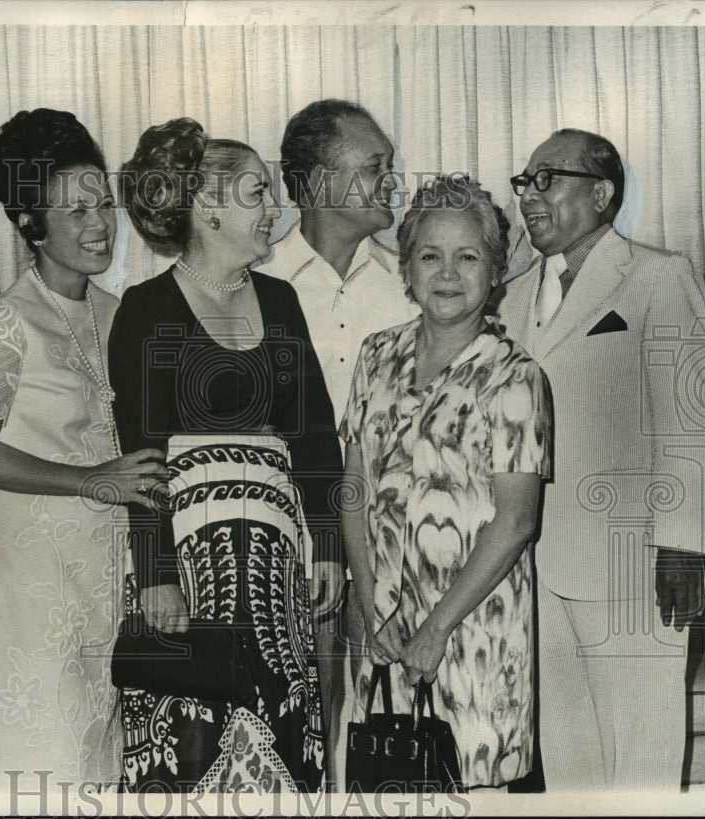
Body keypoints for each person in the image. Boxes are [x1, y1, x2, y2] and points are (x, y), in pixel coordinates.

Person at [110, 117, 342, 792]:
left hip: (276, 572)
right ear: (207, 208)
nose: (274, 208)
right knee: (192, 749)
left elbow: (316, 436)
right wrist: (156, 573)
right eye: (256, 192)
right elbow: (140, 458)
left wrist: (324, 542)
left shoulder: (282, 299)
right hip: (186, 569)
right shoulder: (145, 309)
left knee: (281, 748)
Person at [0, 109, 169, 791]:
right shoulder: (3, 321)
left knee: (94, 769)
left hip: (101, 589)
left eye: (103, 202)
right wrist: (92, 479)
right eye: (76, 209)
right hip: (28, 596)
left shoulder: (121, 313)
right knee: (30, 766)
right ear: (30, 224)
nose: (101, 221)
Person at [497, 129, 705, 789]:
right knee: (568, 762)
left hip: (632, 562)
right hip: (533, 562)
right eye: (524, 182)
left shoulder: (658, 273)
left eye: (547, 179)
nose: (530, 195)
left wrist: (684, 542)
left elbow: (690, 419)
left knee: (640, 757)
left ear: (601, 193)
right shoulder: (509, 293)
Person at [341, 175, 551, 789]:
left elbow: (517, 521)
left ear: (496, 270)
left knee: (470, 787)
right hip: (384, 630)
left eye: (468, 257)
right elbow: (353, 486)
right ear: (406, 268)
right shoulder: (376, 355)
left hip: (473, 630)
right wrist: (365, 599)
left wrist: (435, 630)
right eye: (430, 256)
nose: (448, 273)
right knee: (385, 786)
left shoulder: (516, 376)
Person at [258, 99, 420, 787]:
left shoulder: (415, 285)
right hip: (290, 548)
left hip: (397, 553)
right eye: (375, 167)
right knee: (292, 732)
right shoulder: (255, 284)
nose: (394, 182)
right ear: (320, 183)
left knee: (381, 734)